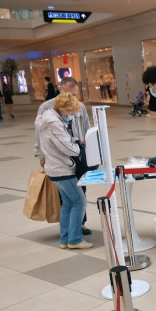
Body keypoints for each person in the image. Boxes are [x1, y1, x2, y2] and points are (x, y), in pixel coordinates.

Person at [34, 77, 93, 235]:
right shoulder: (46, 108)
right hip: (60, 156)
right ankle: (72, 232)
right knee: (70, 197)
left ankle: (78, 224)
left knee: (81, 189)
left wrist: (89, 149)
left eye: (75, 94)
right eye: (69, 94)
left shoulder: (80, 107)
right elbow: (39, 134)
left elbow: (87, 128)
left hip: (77, 153)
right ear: (60, 90)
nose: (73, 98)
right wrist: (41, 155)